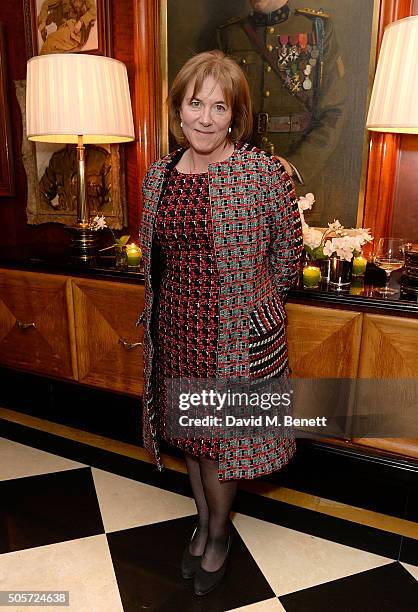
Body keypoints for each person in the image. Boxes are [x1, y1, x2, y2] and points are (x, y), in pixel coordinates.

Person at [138, 50, 302, 596]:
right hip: (177, 329)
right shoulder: (159, 174)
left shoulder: (261, 173)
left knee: (221, 441)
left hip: (233, 334)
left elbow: (289, 252)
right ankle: (203, 519)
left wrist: (261, 306)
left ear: (235, 116)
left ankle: (217, 533)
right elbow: (156, 255)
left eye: (219, 106)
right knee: (190, 436)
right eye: (195, 103)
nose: (205, 117)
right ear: (177, 109)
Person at [217, 0, 346, 216]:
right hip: (242, 182)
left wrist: (296, 166)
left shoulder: (317, 27)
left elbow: (334, 111)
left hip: (301, 185)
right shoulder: (230, 34)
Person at [39, 143, 111, 212]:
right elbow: (40, 193)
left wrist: (99, 221)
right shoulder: (58, 159)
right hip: (63, 220)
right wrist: (54, 218)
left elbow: (112, 198)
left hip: (93, 220)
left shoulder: (101, 158)